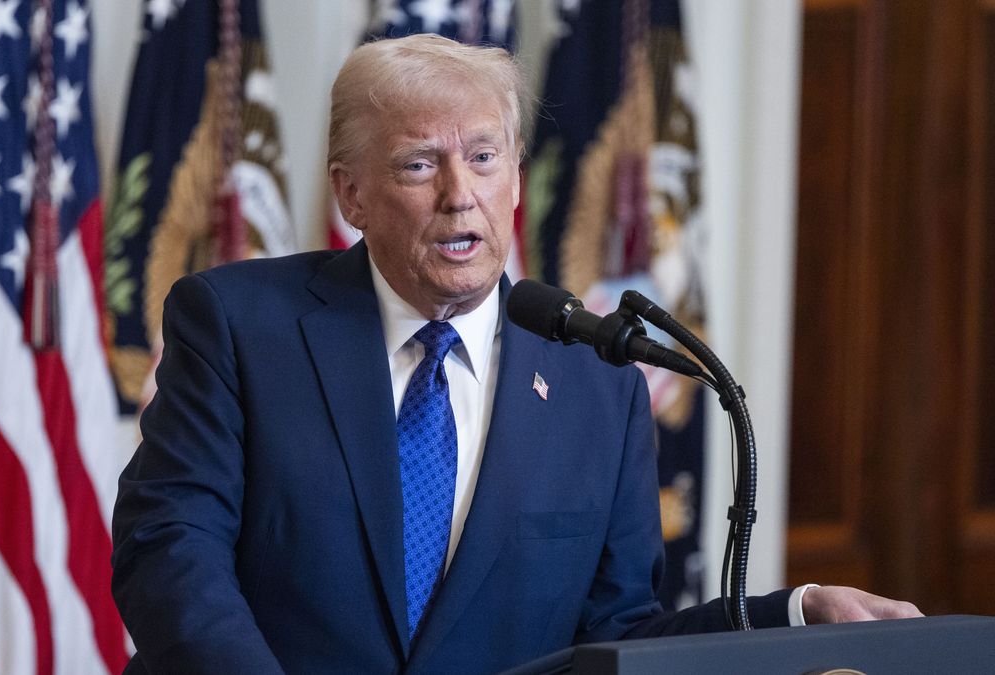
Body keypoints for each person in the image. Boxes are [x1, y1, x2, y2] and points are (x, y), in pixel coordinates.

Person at [110, 34, 920, 674]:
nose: (460, 192)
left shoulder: (598, 386)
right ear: (351, 194)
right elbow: (170, 551)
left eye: (485, 156)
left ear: (518, 182)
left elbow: (616, 638)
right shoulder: (237, 324)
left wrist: (796, 611)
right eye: (419, 163)